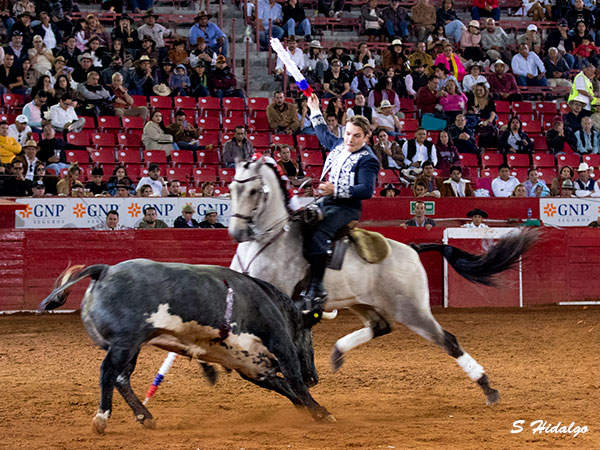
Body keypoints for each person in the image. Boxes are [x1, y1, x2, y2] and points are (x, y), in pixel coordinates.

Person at [303, 93, 379, 311]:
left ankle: (317, 288)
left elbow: (366, 190)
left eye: (356, 136)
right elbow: (324, 135)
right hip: (326, 202)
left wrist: (335, 189)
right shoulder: (339, 144)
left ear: (366, 137)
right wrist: (315, 109)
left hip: (347, 208)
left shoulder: (368, 160)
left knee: (319, 233)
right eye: (347, 134)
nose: (349, 139)